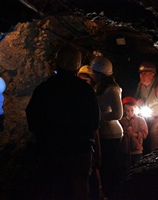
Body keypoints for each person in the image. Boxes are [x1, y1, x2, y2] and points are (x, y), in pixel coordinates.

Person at [26, 43, 99, 200]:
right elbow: (95, 122)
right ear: (77, 64)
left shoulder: (44, 89)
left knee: (53, 188)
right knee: (80, 188)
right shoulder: (85, 90)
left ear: (57, 62)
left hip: (51, 150)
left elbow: (32, 118)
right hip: (79, 150)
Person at [91, 56, 123, 198]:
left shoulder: (112, 89)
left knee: (110, 166)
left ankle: (114, 193)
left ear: (102, 74)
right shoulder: (100, 87)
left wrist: (101, 118)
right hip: (104, 132)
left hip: (112, 133)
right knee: (105, 166)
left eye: (95, 72)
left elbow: (118, 113)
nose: (93, 75)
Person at [77, 64, 105, 200]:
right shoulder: (75, 95)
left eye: (86, 80)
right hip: (81, 141)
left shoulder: (91, 96)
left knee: (95, 167)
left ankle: (98, 194)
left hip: (91, 137)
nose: (83, 84)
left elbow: (96, 123)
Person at [119, 96, 148, 174]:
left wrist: (133, 134)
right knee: (126, 169)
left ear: (136, 109)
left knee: (138, 169)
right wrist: (125, 132)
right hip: (125, 150)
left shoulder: (140, 120)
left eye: (132, 110)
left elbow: (144, 133)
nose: (130, 113)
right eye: (127, 111)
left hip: (137, 150)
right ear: (124, 110)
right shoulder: (122, 121)